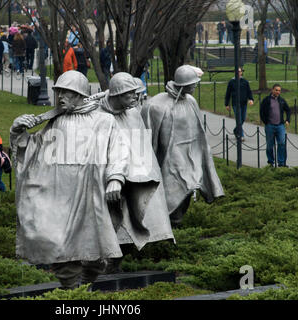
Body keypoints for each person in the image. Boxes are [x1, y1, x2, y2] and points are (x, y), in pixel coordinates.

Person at [10, 70, 129, 289]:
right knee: (63, 251)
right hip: (59, 195)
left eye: (67, 92)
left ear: (80, 94)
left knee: (96, 253)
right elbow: (32, 150)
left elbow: (119, 150)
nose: (61, 96)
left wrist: (116, 178)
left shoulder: (104, 120)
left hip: (91, 194)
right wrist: (18, 132)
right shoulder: (55, 121)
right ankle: (71, 291)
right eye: (59, 92)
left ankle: (84, 287)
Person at [98, 72, 175, 272]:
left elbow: (141, 147)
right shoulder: (98, 116)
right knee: (108, 221)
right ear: (115, 95)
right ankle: (102, 261)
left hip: (133, 178)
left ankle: (117, 260)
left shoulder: (132, 113)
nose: (135, 98)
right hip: (105, 180)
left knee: (127, 219)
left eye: (135, 94)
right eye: (129, 95)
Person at [141, 65, 224, 226]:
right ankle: (170, 222)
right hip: (171, 158)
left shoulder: (191, 101)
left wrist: (202, 155)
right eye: (192, 83)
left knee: (189, 187)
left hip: (191, 155)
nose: (195, 86)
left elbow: (198, 131)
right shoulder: (157, 106)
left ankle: (177, 221)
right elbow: (147, 138)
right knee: (175, 188)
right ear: (183, 84)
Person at [260, 84, 291, 168]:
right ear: (272, 90)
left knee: (281, 143)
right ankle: (270, 162)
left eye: (279, 90)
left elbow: (288, 110)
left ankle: (281, 162)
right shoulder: (266, 100)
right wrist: (265, 121)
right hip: (269, 125)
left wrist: (287, 119)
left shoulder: (281, 100)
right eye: (276, 90)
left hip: (280, 126)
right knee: (270, 145)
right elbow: (261, 111)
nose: (278, 92)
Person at [225, 67, 254, 141]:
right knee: (239, 119)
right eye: (236, 71)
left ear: (241, 72)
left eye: (239, 71)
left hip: (244, 103)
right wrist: (227, 104)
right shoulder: (231, 82)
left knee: (243, 118)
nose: (238, 73)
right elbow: (228, 93)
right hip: (235, 103)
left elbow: (249, 91)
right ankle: (241, 135)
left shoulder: (245, 81)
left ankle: (236, 130)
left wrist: (251, 99)